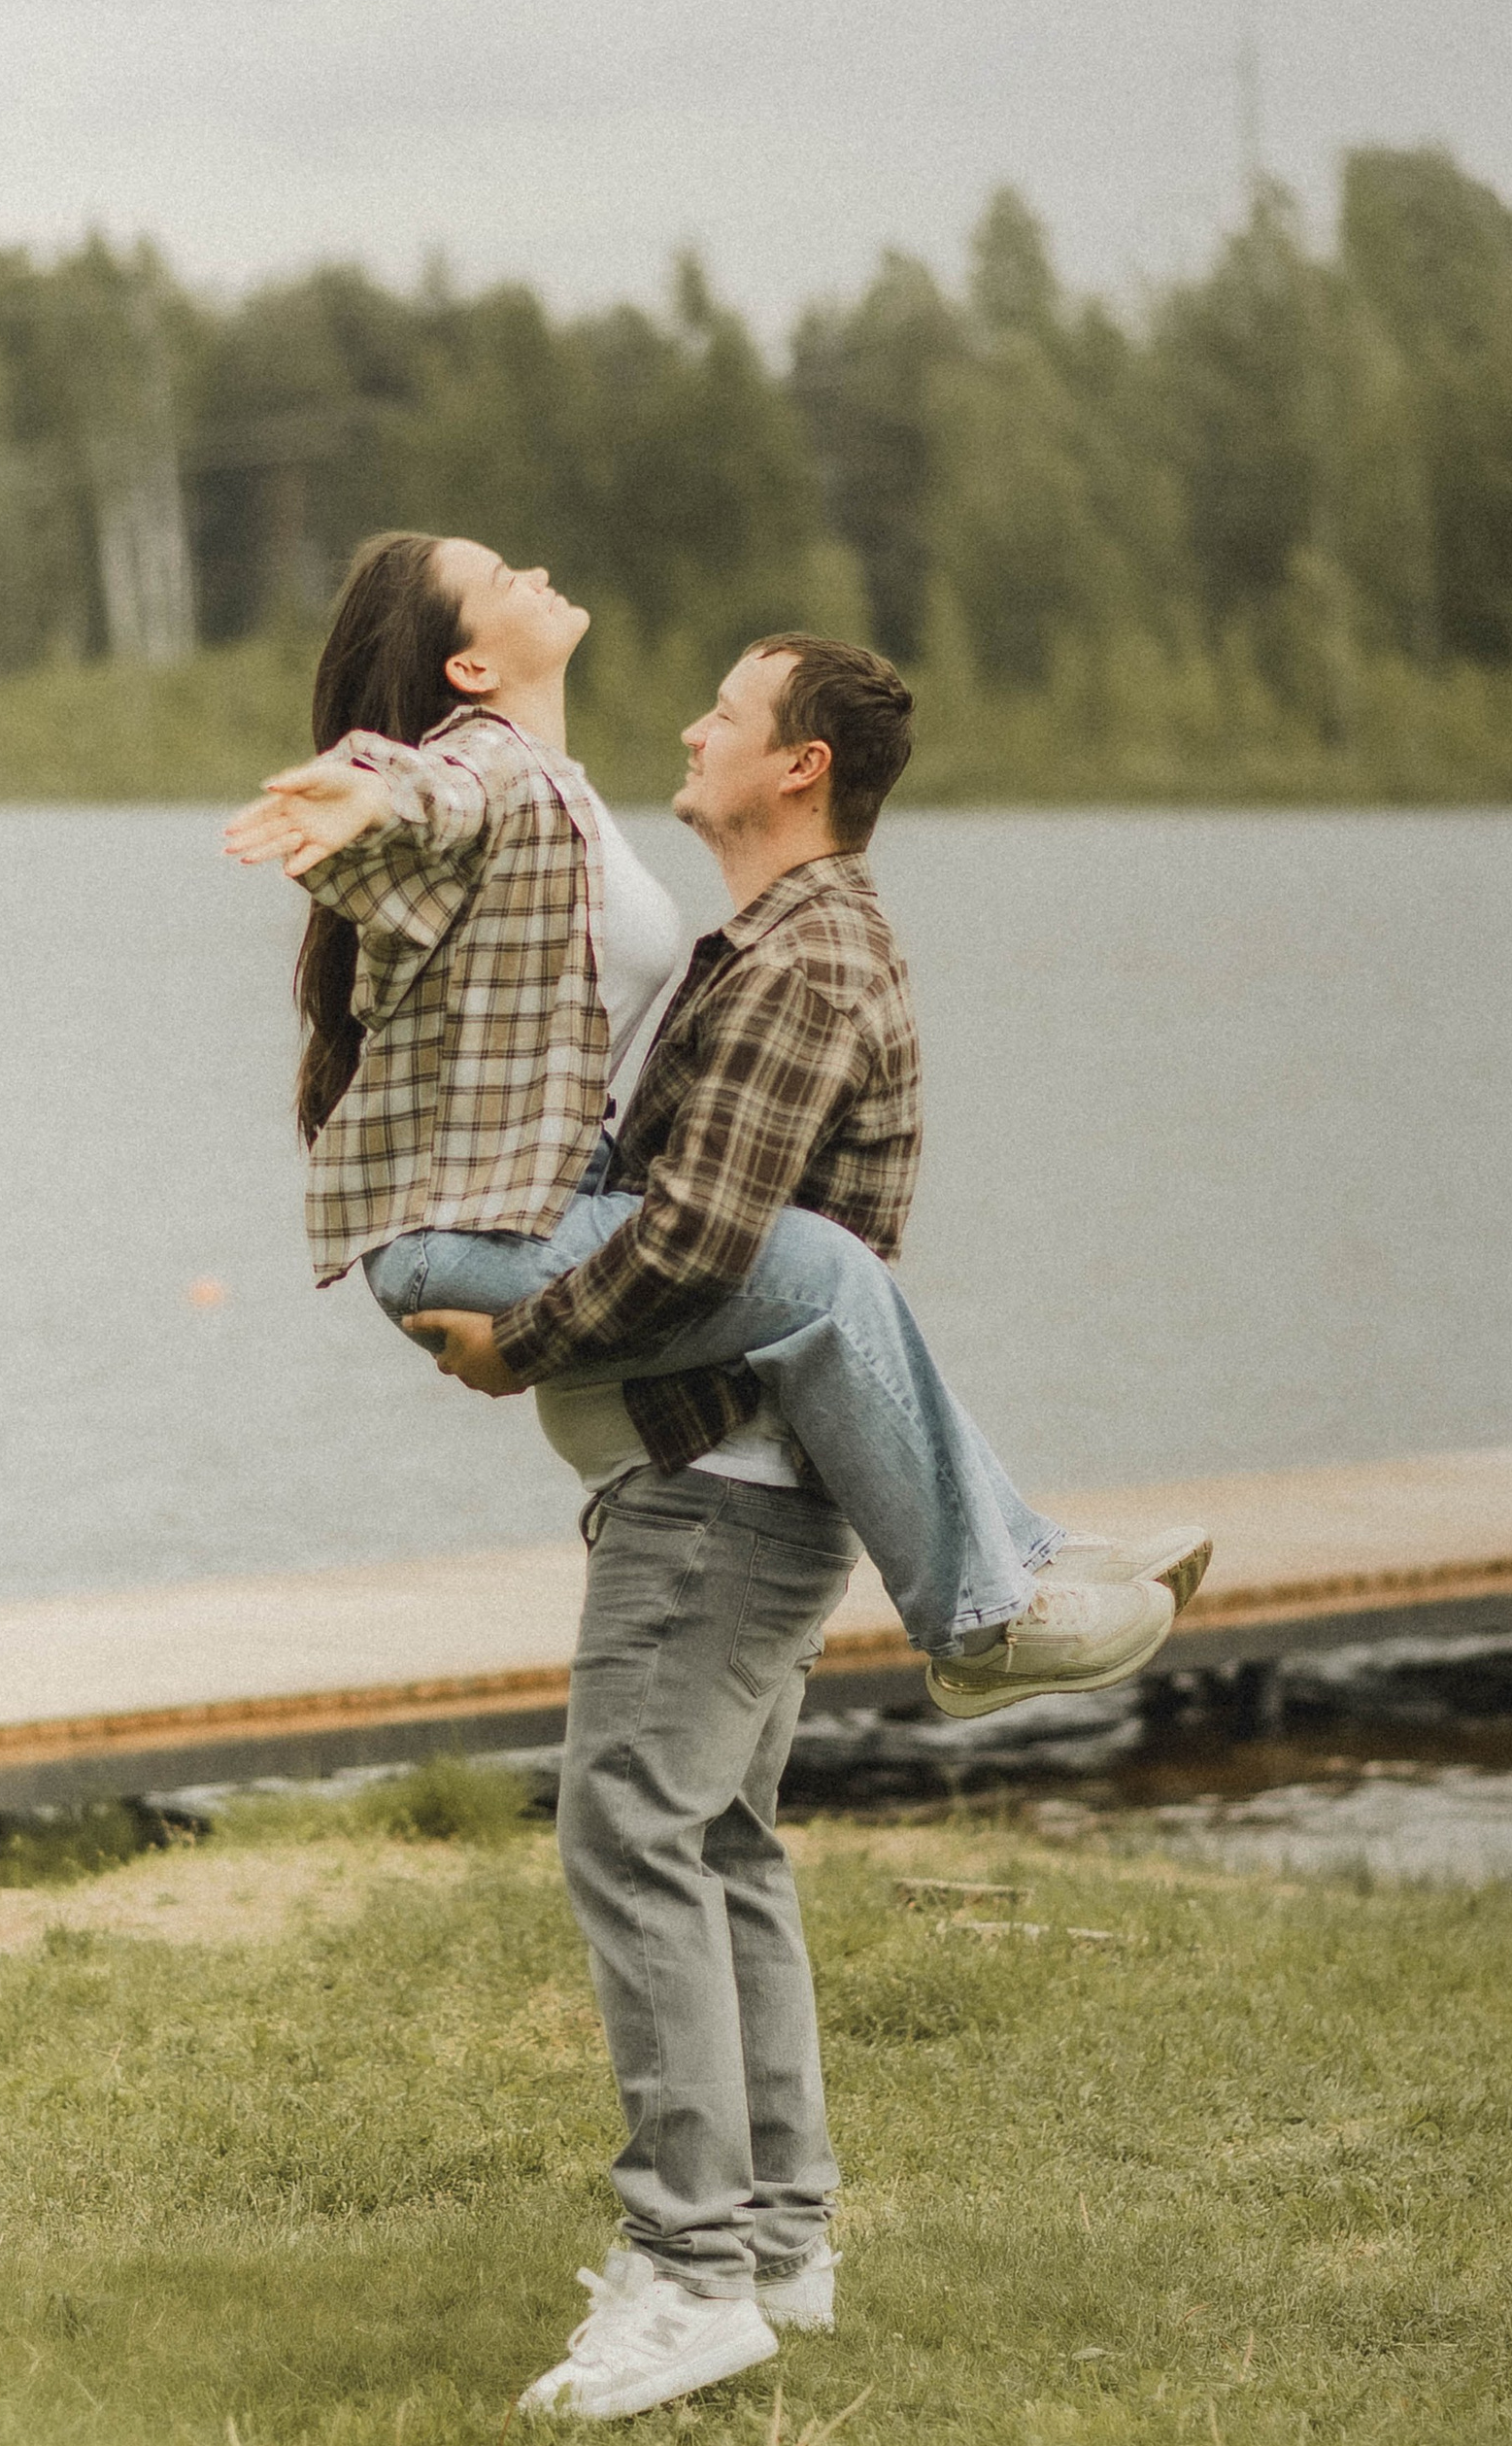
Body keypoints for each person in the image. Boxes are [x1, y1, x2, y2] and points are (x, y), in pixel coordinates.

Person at [227, 533, 1198, 1689]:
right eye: (498, 583)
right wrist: (372, 784)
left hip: (525, 1215)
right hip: (471, 1239)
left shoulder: (565, 798)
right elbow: (444, 793)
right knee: (829, 1275)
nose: (533, 573)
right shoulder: (490, 764)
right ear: (472, 671)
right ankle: (984, 1624)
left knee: (830, 1279)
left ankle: (1024, 1552)